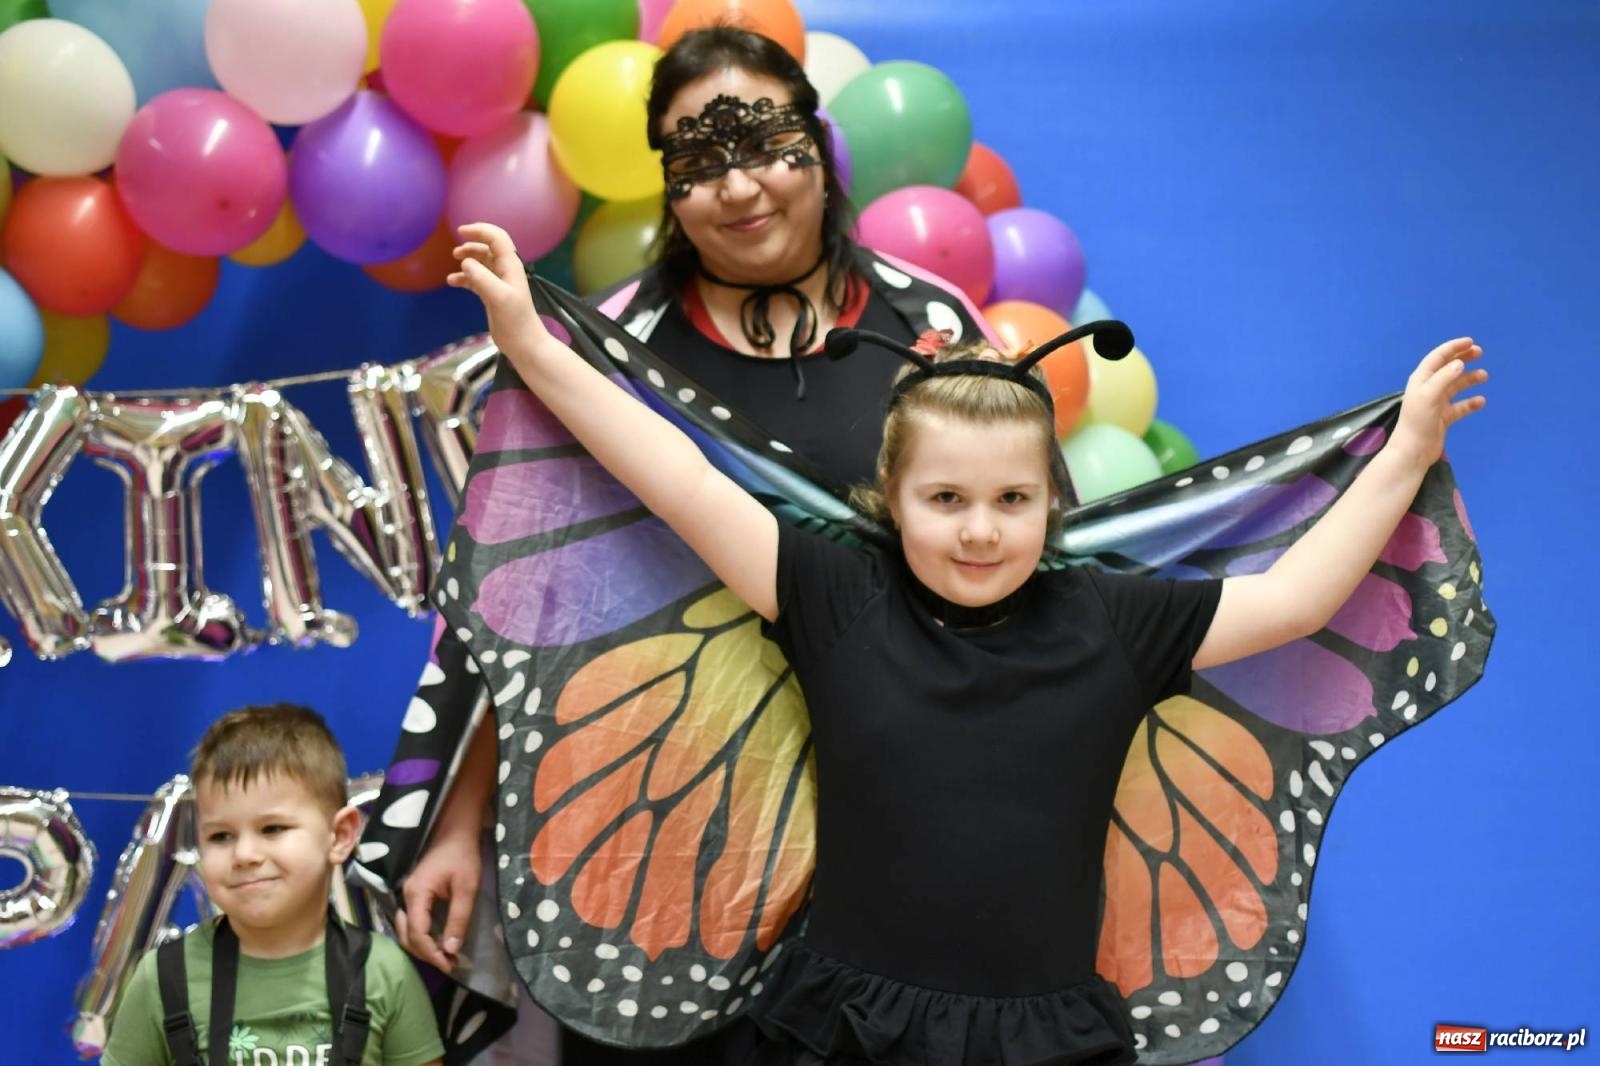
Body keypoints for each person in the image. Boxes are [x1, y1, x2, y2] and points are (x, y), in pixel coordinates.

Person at [441, 219, 1487, 1065]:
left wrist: (1403, 456)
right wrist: (532, 341)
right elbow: (675, 476)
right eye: (945, 498)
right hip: (841, 1026)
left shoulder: (1113, 619)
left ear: (1049, 506)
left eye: (1010, 499)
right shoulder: (833, 591)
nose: (980, 528)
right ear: (890, 499)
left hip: (1043, 1036)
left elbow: (1298, 597)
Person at [364, 26, 993, 1064]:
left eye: (761, 141)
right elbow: (523, 604)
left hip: (886, 835)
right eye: (697, 159)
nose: (737, 187)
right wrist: (459, 823)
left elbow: (1025, 570)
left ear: (818, 145)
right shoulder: (605, 353)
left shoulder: (932, 328)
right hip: (652, 828)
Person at [101, 704, 446, 1066]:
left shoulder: (383, 971)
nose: (245, 854)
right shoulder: (163, 978)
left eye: (272, 829)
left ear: (340, 835)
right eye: (221, 836)